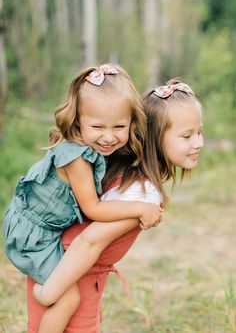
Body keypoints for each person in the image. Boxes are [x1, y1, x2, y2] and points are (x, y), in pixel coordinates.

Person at [27, 78, 204, 332]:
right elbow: (90, 241)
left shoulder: (120, 166)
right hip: (69, 276)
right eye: (186, 135)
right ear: (154, 136)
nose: (197, 142)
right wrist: (55, 288)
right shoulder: (141, 195)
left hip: (60, 266)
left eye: (199, 132)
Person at [3, 64, 164, 333]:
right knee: (67, 298)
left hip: (42, 228)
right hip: (33, 235)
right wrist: (140, 206)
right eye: (98, 126)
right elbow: (94, 209)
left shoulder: (92, 147)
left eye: (119, 126)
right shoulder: (76, 158)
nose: (109, 136)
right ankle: (45, 296)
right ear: (77, 121)